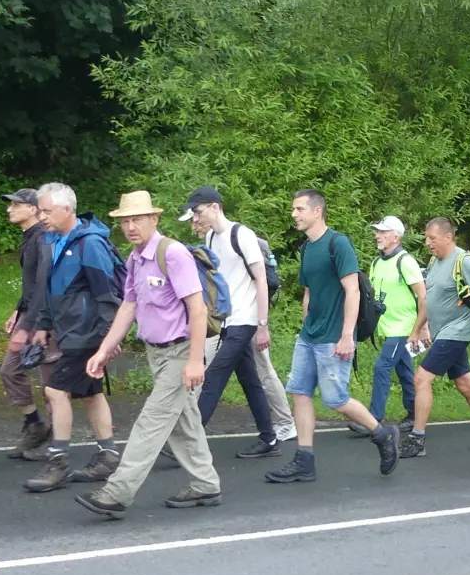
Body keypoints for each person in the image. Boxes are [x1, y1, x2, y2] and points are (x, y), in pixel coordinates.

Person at [74, 192, 220, 518]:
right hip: (158, 355)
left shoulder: (174, 254)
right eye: (125, 221)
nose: (130, 226)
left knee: (150, 423)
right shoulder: (134, 258)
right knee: (184, 424)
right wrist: (104, 350)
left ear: (154, 219)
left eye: (137, 219)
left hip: (181, 352)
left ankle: (117, 492)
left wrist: (196, 361)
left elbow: (197, 310)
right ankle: (206, 483)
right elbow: (129, 307)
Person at [265, 190, 400, 483]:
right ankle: (304, 460)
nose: (294, 214)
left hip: (333, 336)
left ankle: (382, 434)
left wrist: (346, 336)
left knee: (335, 399)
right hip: (309, 335)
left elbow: (351, 289)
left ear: (317, 211)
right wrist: (305, 324)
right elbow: (309, 291)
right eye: (293, 209)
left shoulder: (338, 244)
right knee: (300, 392)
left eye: (299, 209)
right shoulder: (308, 248)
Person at [25, 183, 122, 492]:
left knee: (55, 391)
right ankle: (108, 456)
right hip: (70, 331)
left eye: (46, 211)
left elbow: (108, 295)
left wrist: (107, 339)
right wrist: (42, 323)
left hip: (86, 334)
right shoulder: (55, 240)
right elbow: (53, 290)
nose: (41, 217)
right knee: (91, 394)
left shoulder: (89, 244)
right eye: (39, 210)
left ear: (67, 210)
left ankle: (59, 461)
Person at [178, 186, 282, 459]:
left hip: (245, 319)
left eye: (198, 212)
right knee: (250, 381)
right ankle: (269, 439)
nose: (195, 219)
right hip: (227, 320)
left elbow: (261, 280)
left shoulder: (242, 235)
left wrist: (262, 324)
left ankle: (190, 439)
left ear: (215, 207)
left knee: (215, 375)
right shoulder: (211, 237)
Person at [404, 218, 470, 456]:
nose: (428, 243)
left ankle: (417, 439)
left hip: (457, 332)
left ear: (448, 237)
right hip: (441, 332)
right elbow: (429, 300)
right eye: (427, 238)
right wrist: (417, 329)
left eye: (432, 238)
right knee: (464, 384)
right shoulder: (434, 261)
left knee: (421, 379)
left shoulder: (464, 262)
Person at [1, 188, 54, 459]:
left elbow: (44, 287)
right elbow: (31, 284)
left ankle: (58, 441)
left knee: (51, 381)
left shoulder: (43, 240)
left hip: (45, 317)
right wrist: (17, 311)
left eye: (15, 205)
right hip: (30, 313)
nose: (9, 209)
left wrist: (27, 326)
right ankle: (34, 424)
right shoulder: (29, 238)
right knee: (10, 370)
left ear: (33, 209)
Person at [364, 216, 426, 432]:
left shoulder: (406, 261)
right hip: (387, 327)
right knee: (404, 371)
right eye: (377, 231)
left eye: (383, 232)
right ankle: (414, 413)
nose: (378, 235)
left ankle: (373, 419)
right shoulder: (376, 262)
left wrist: (421, 328)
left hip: (404, 328)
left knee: (382, 366)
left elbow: (422, 296)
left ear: (396, 236)